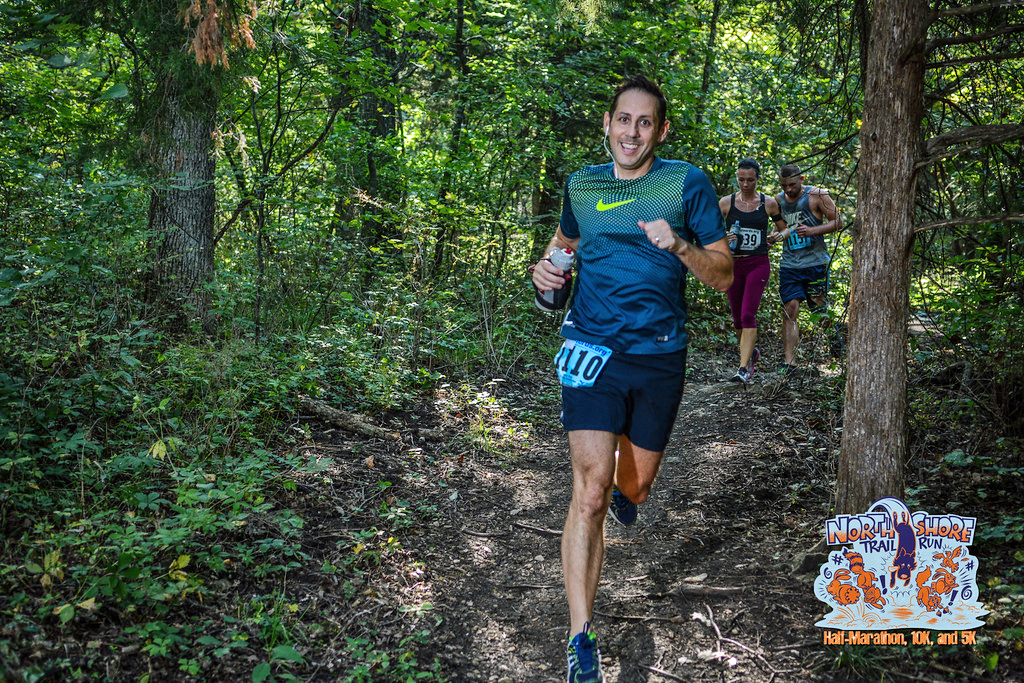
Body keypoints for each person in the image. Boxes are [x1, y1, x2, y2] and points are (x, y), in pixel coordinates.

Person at [530, 75, 732, 683]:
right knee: (588, 493)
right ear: (608, 124)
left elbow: (724, 274)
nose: (632, 132)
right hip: (590, 348)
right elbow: (562, 250)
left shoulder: (686, 184)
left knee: (634, 488)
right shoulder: (582, 186)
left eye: (645, 123)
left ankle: (629, 490)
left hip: (659, 355)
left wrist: (679, 248)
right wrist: (547, 282)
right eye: (624, 120)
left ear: (660, 132)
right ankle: (579, 637)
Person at [766, 163, 842, 373]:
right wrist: (772, 238)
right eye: (784, 185)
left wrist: (812, 231)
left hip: (815, 263)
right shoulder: (778, 200)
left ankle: (836, 342)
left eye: (792, 184)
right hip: (790, 265)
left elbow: (837, 221)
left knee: (819, 309)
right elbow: (780, 228)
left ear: (801, 179)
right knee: (789, 309)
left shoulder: (817, 195)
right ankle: (789, 363)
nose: (788, 189)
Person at [718, 159, 788, 384]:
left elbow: (784, 229)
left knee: (748, 314)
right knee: (737, 318)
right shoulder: (725, 203)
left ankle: (744, 367)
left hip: (757, 264)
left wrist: (778, 237)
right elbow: (706, 230)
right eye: (741, 179)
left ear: (758, 179)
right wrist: (722, 237)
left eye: (750, 180)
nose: (746, 184)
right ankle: (751, 353)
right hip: (733, 265)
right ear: (736, 178)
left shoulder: (768, 203)